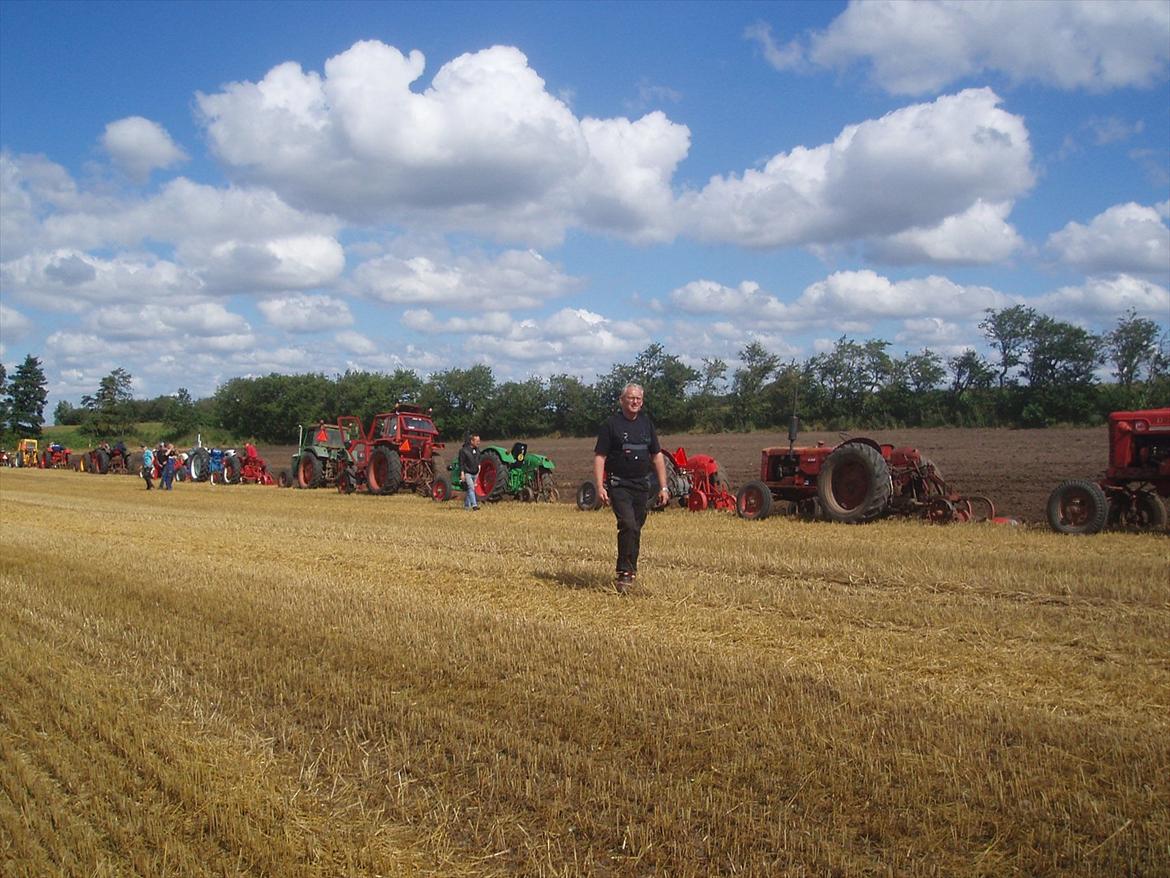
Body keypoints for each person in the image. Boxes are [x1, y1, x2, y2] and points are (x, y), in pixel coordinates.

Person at [593, 383, 670, 591]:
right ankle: (624, 572)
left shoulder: (646, 424)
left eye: (638, 398)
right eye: (631, 398)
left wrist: (663, 487)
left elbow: (657, 456)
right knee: (627, 524)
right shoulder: (611, 425)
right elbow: (600, 457)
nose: (635, 401)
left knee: (636, 528)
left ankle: (631, 569)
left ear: (642, 402)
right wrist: (600, 486)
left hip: (642, 485)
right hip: (619, 484)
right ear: (622, 400)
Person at [458, 434, 481, 511]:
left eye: (479, 441)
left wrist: (479, 467)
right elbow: (461, 463)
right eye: (477, 441)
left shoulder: (477, 450)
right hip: (467, 473)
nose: (478, 442)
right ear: (472, 441)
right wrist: (462, 473)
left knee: (469, 489)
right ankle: (474, 505)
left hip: (475, 472)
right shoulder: (463, 451)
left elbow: (478, 460)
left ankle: (466, 506)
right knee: (471, 488)